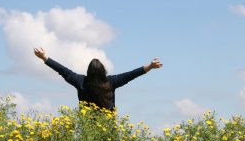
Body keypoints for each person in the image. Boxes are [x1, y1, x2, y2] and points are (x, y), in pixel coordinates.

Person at [34, 47, 163, 110]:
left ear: (88, 71)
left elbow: (62, 70)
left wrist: (44, 57)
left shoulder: (81, 81)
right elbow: (132, 74)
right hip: (108, 129)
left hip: (88, 131)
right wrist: (151, 66)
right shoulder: (111, 82)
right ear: (103, 71)